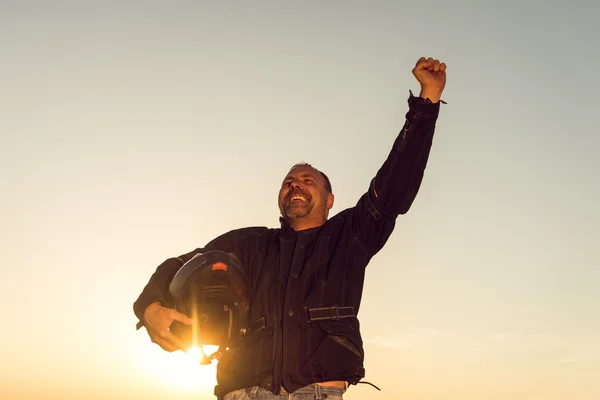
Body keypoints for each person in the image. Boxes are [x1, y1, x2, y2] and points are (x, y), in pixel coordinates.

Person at [133, 56, 447, 400]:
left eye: (308, 181)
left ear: (329, 199)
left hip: (317, 391)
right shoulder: (248, 243)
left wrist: (427, 100)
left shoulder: (350, 236)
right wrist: (149, 306)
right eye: (289, 182)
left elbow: (395, 183)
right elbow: (181, 265)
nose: (296, 185)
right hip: (243, 391)